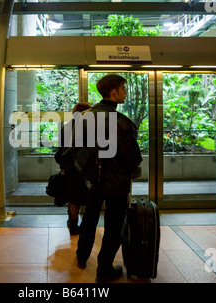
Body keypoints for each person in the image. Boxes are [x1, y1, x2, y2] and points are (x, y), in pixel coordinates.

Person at [74, 74, 142, 282]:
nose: (125, 92)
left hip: (93, 182)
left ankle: (82, 256)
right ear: (114, 92)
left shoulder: (84, 116)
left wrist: (88, 173)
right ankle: (104, 269)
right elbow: (133, 158)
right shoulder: (122, 122)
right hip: (117, 185)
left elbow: (74, 150)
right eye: (123, 88)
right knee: (113, 227)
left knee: (89, 220)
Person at [55, 102, 92, 235]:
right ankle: (87, 225)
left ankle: (73, 223)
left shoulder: (66, 128)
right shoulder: (91, 128)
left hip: (70, 168)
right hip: (88, 168)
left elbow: (61, 149)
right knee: (90, 196)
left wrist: (62, 166)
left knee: (73, 197)